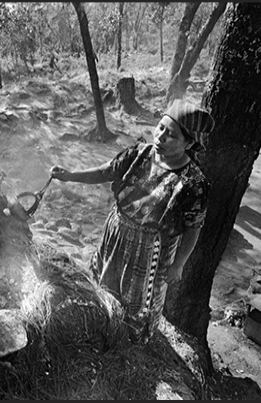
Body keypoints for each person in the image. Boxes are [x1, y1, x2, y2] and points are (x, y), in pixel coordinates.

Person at [50, 99, 214, 344]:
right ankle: (102, 320)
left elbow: (193, 228)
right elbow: (107, 171)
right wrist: (71, 176)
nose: (160, 137)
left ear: (188, 143)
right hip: (116, 232)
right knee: (105, 278)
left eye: (171, 135)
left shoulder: (193, 183)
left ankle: (129, 340)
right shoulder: (139, 154)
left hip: (149, 250)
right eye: (160, 128)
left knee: (137, 300)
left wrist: (179, 263)